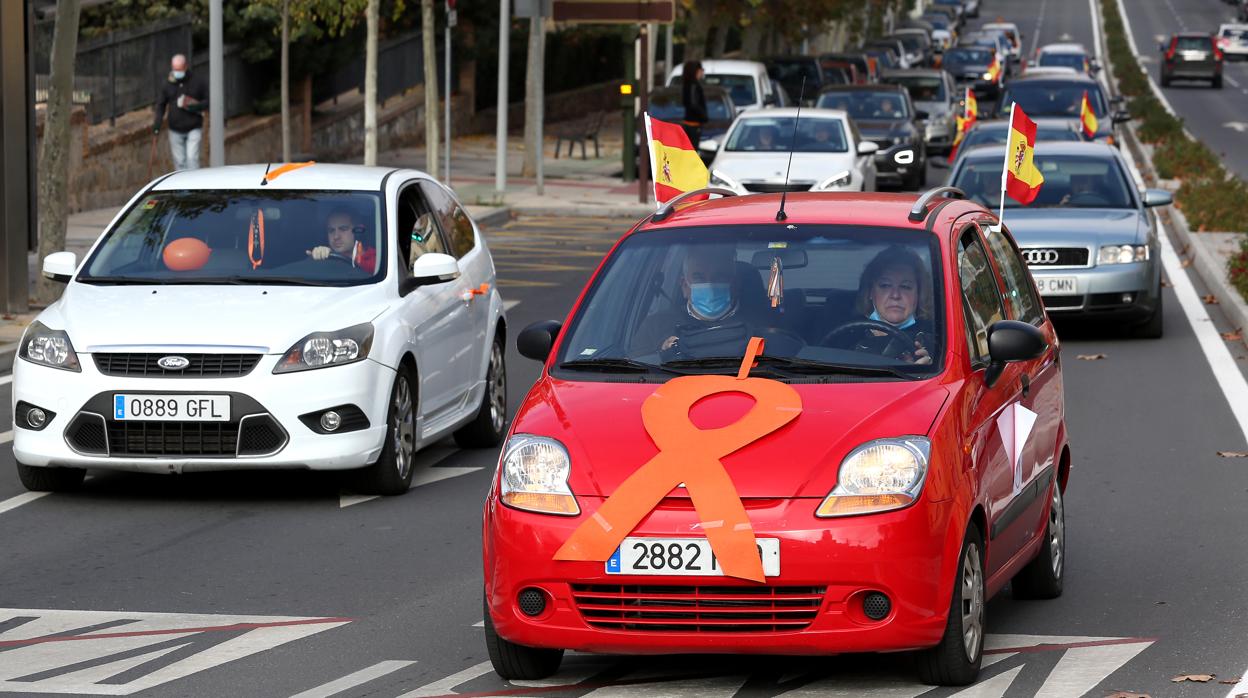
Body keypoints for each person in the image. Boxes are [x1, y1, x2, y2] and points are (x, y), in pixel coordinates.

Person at [631, 245, 751, 360]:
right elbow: (636, 372)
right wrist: (662, 353)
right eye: (699, 278)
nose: (710, 285)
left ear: (735, 284)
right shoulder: (655, 327)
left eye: (719, 277)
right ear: (684, 286)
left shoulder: (759, 325)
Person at [846, 246, 934, 364]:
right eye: (885, 285)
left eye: (905, 286)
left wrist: (926, 371)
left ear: (919, 294)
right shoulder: (847, 336)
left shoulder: (938, 341)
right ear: (870, 292)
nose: (895, 295)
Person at [153, 54, 209, 171]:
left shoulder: (197, 81)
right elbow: (161, 105)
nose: (177, 72)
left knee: (192, 158)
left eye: (179, 69)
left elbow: (207, 101)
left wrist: (196, 106)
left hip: (193, 127)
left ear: (185, 67)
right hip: (175, 130)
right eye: (175, 69)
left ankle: (194, 188)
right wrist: (157, 124)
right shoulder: (168, 83)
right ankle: (183, 190)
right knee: (179, 163)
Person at [309, 208, 377, 272]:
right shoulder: (326, 257)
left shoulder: (376, 261)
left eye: (343, 229)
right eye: (331, 230)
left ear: (358, 231)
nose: (336, 236)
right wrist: (319, 255)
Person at [680, 60, 708, 147]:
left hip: (689, 123)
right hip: (693, 124)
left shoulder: (687, 85)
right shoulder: (694, 85)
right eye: (701, 69)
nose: (702, 72)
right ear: (696, 71)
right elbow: (693, 104)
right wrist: (704, 116)